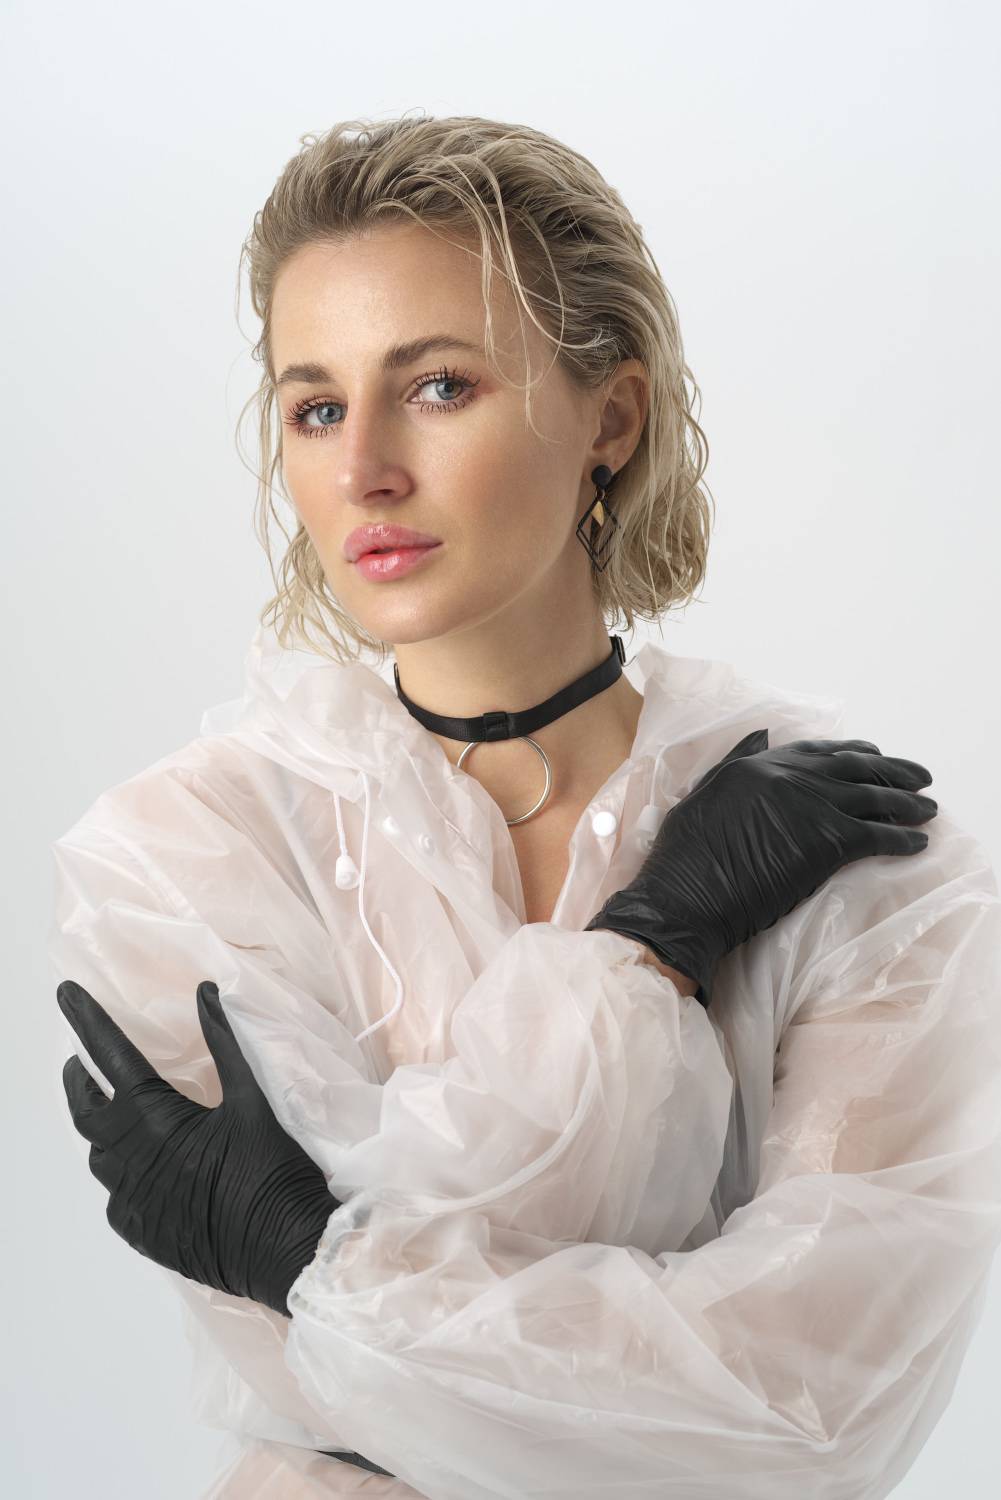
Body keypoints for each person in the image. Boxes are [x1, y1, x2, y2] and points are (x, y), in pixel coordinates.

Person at [51, 114, 1001, 1500]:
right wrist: (652, 946)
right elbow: (300, 1380)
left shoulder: (858, 852)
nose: (364, 469)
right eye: (316, 408)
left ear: (610, 417)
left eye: (437, 387)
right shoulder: (184, 853)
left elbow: (804, 1407)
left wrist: (305, 1258)